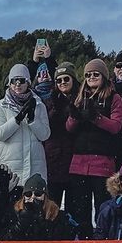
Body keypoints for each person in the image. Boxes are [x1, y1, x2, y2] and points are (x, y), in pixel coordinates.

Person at [66, 59, 122, 232]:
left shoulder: (113, 98)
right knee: (80, 210)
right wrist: (74, 116)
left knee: (103, 208)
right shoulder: (80, 96)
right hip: (78, 163)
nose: (91, 77)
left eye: (95, 74)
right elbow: (69, 128)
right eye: (88, 75)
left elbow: (116, 126)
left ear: (103, 76)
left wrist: (95, 117)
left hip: (102, 163)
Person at [0, 63, 51, 189]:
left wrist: (32, 120)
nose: (18, 84)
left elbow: (45, 135)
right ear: (9, 83)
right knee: (9, 207)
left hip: (35, 168)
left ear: (28, 82)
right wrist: (17, 119)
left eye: (22, 80)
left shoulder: (39, 105)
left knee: (34, 206)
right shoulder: (0, 106)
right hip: (10, 169)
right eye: (14, 81)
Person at [42, 62, 79, 211]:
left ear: (73, 80)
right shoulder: (49, 101)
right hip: (53, 161)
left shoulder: (81, 98)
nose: (63, 82)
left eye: (66, 79)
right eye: (59, 80)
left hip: (74, 160)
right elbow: (46, 128)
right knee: (52, 209)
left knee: (74, 209)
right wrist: (55, 110)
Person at [1, 173, 79, 241]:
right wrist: (20, 225)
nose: (33, 197)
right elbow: (4, 239)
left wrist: (42, 221)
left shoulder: (55, 213)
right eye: (28, 194)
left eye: (38, 194)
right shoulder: (15, 211)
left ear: (45, 196)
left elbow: (64, 237)